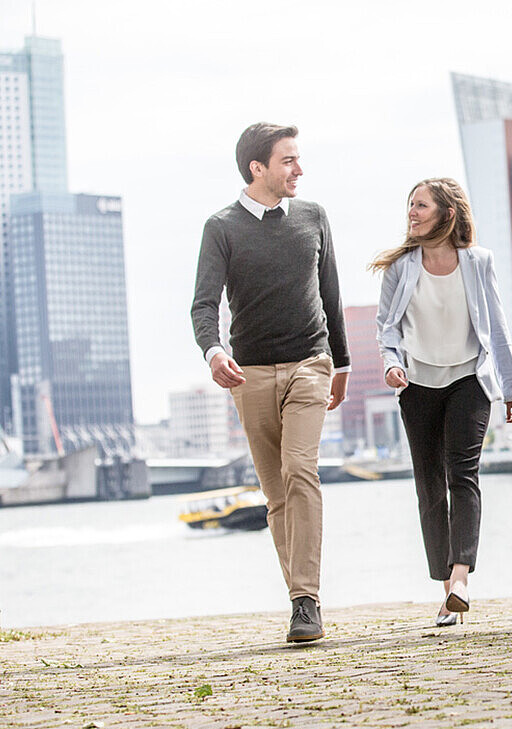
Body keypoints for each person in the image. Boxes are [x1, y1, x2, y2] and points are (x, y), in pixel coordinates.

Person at [191, 123, 350, 641]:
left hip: (310, 363)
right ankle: (298, 598)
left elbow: (331, 295)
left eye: (298, 159)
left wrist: (341, 364)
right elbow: (204, 303)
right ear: (257, 168)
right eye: (288, 161)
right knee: (276, 493)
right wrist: (214, 351)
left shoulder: (313, 217)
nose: (298, 169)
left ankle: (307, 600)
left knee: (301, 470)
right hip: (250, 375)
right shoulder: (221, 228)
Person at [373, 178, 512, 627]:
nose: (412, 213)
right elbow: (387, 328)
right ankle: (446, 594)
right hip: (417, 384)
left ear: (447, 214)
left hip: (468, 381)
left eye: (420, 205)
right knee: (429, 487)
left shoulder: (478, 263)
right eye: (410, 205)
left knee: (463, 475)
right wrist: (391, 364)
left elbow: (496, 326)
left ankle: (461, 578)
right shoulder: (400, 267)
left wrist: (511, 385)